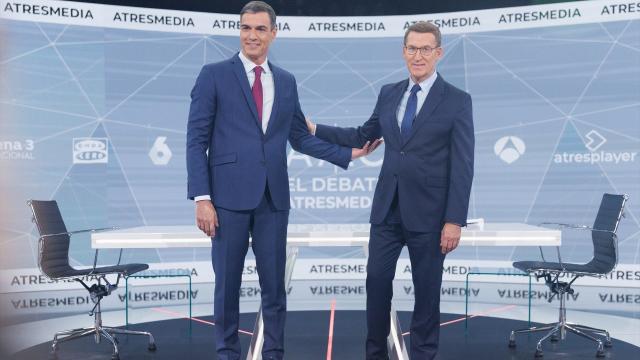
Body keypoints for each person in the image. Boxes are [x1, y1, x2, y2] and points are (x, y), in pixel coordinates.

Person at [186, 2, 380, 359]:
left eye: (260, 29)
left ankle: (274, 353)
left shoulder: (286, 81)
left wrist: (349, 155)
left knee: (274, 287)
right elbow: (196, 139)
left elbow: (300, 137)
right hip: (226, 199)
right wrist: (202, 197)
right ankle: (227, 353)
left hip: (273, 200)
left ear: (274, 33)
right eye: (246, 28)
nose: (252, 35)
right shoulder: (213, 74)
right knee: (226, 286)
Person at [307, 21, 474, 360]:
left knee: (427, 294)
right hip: (387, 211)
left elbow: (463, 166)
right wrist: (313, 128)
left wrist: (454, 220)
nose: (418, 55)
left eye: (426, 49)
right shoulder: (389, 93)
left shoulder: (457, 100)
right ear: (403, 51)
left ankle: (424, 354)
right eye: (412, 48)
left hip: (431, 216)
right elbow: (362, 136)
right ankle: (375, 354)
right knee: (377, 284)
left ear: (438, 53)